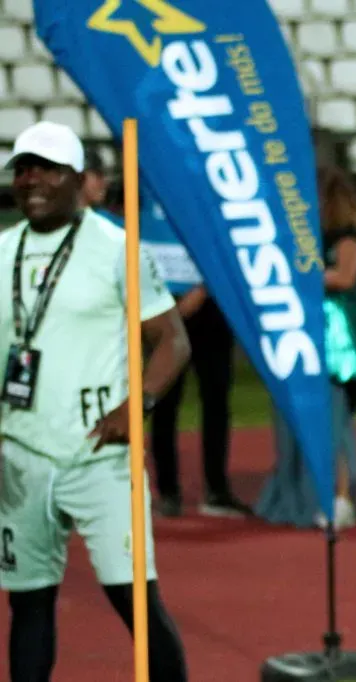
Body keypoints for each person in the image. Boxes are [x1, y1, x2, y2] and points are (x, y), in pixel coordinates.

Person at [0, 121, 191, 681]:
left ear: (79, 180)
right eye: (23, 168)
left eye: (47, 169)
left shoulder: (117, 249)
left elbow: (171, 341)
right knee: (27, 605)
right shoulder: (2, 251)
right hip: (20, 457)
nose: (32, 180)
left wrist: (139, 404)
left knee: (134, 600)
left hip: (100, 457)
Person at [256, 163, 356, 530]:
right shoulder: (316, 239)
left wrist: (301, 278)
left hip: (337, 347)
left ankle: (338, 497)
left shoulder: (346, 237)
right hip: (317, 341)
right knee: (324, 420)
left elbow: (345, 276)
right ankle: (320, 493)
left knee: (333, 423)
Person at [142, 195, 246, 518]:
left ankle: (216, 489)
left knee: (216, 401)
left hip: (209, 307)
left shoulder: (204, 192)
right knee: (164, 401)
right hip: (163, 303)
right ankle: (169, 492)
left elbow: (225, 245)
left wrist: (200, 293)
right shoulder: (145, 187)